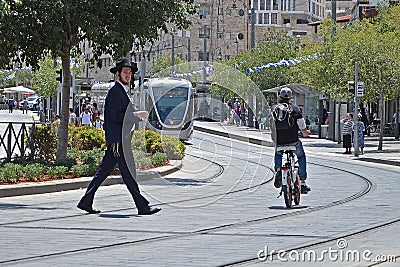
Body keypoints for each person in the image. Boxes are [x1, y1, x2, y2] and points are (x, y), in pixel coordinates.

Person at [77, 58, 161, 216]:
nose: (128, 75)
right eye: (125, 72)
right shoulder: (116, 91)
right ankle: (142, 206)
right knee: (128, 173)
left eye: (130, 73)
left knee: (104, 171)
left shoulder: (122, 90)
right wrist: (136, 115)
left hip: (121, 139)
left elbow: (126, 111)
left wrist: (138, 114)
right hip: (118, 140)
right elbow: (117, 116)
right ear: (118, 74)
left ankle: (86, 201)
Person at [271, 87, 311, 194]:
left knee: (278, 153)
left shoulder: (273, 108)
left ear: (280, 96)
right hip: (293, 140)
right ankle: (302, 183)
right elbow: (302, 125)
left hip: (279, 140)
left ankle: (278, 170)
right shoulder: (295, 109)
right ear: (291, 97)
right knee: (301, 156)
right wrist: (305, 133)